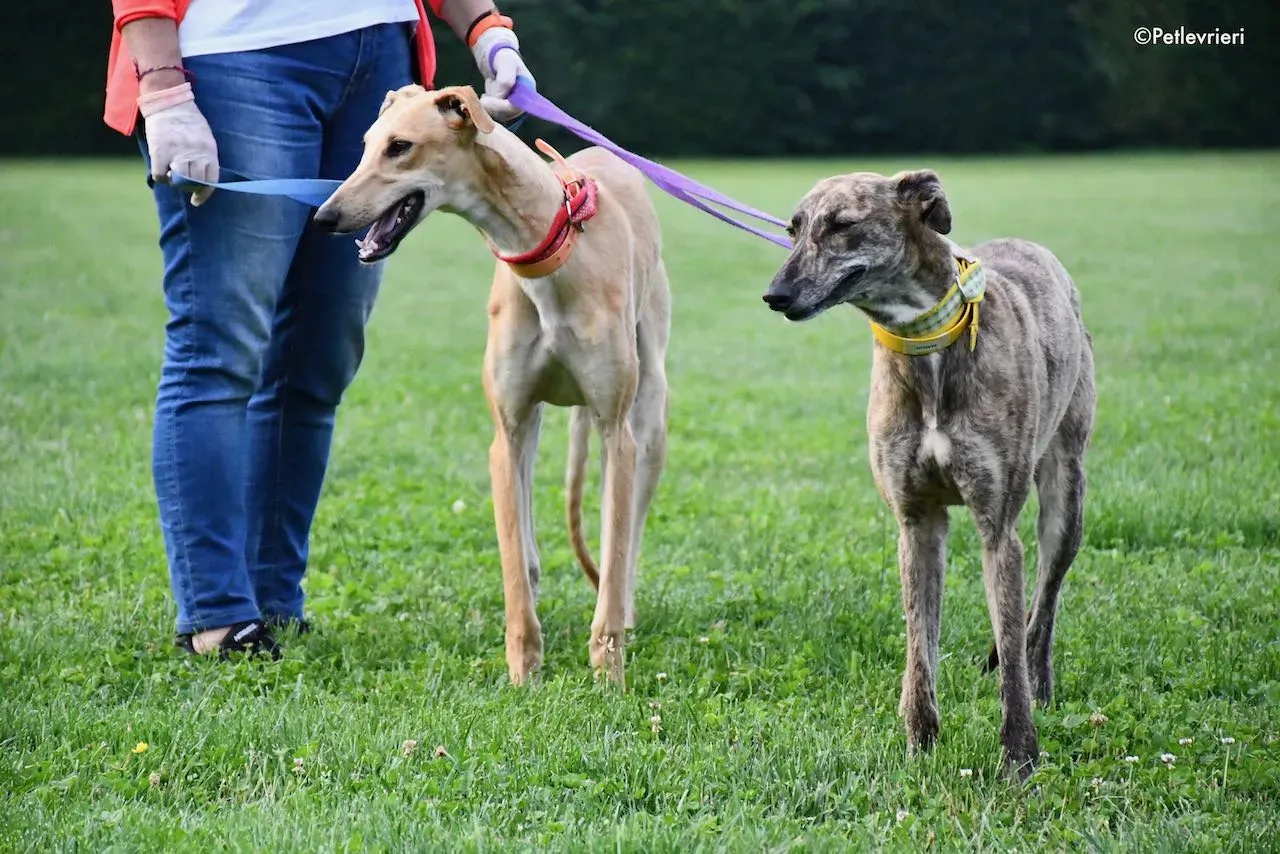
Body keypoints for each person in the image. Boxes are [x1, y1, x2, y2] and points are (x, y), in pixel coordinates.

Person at [104, 0, 537, 658]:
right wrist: (163, 89)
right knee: (219, 349)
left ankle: (274, 601)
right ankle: (218, 616)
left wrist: (488, 31)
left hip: (377, 60)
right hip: (233, 61)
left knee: (319, 355)